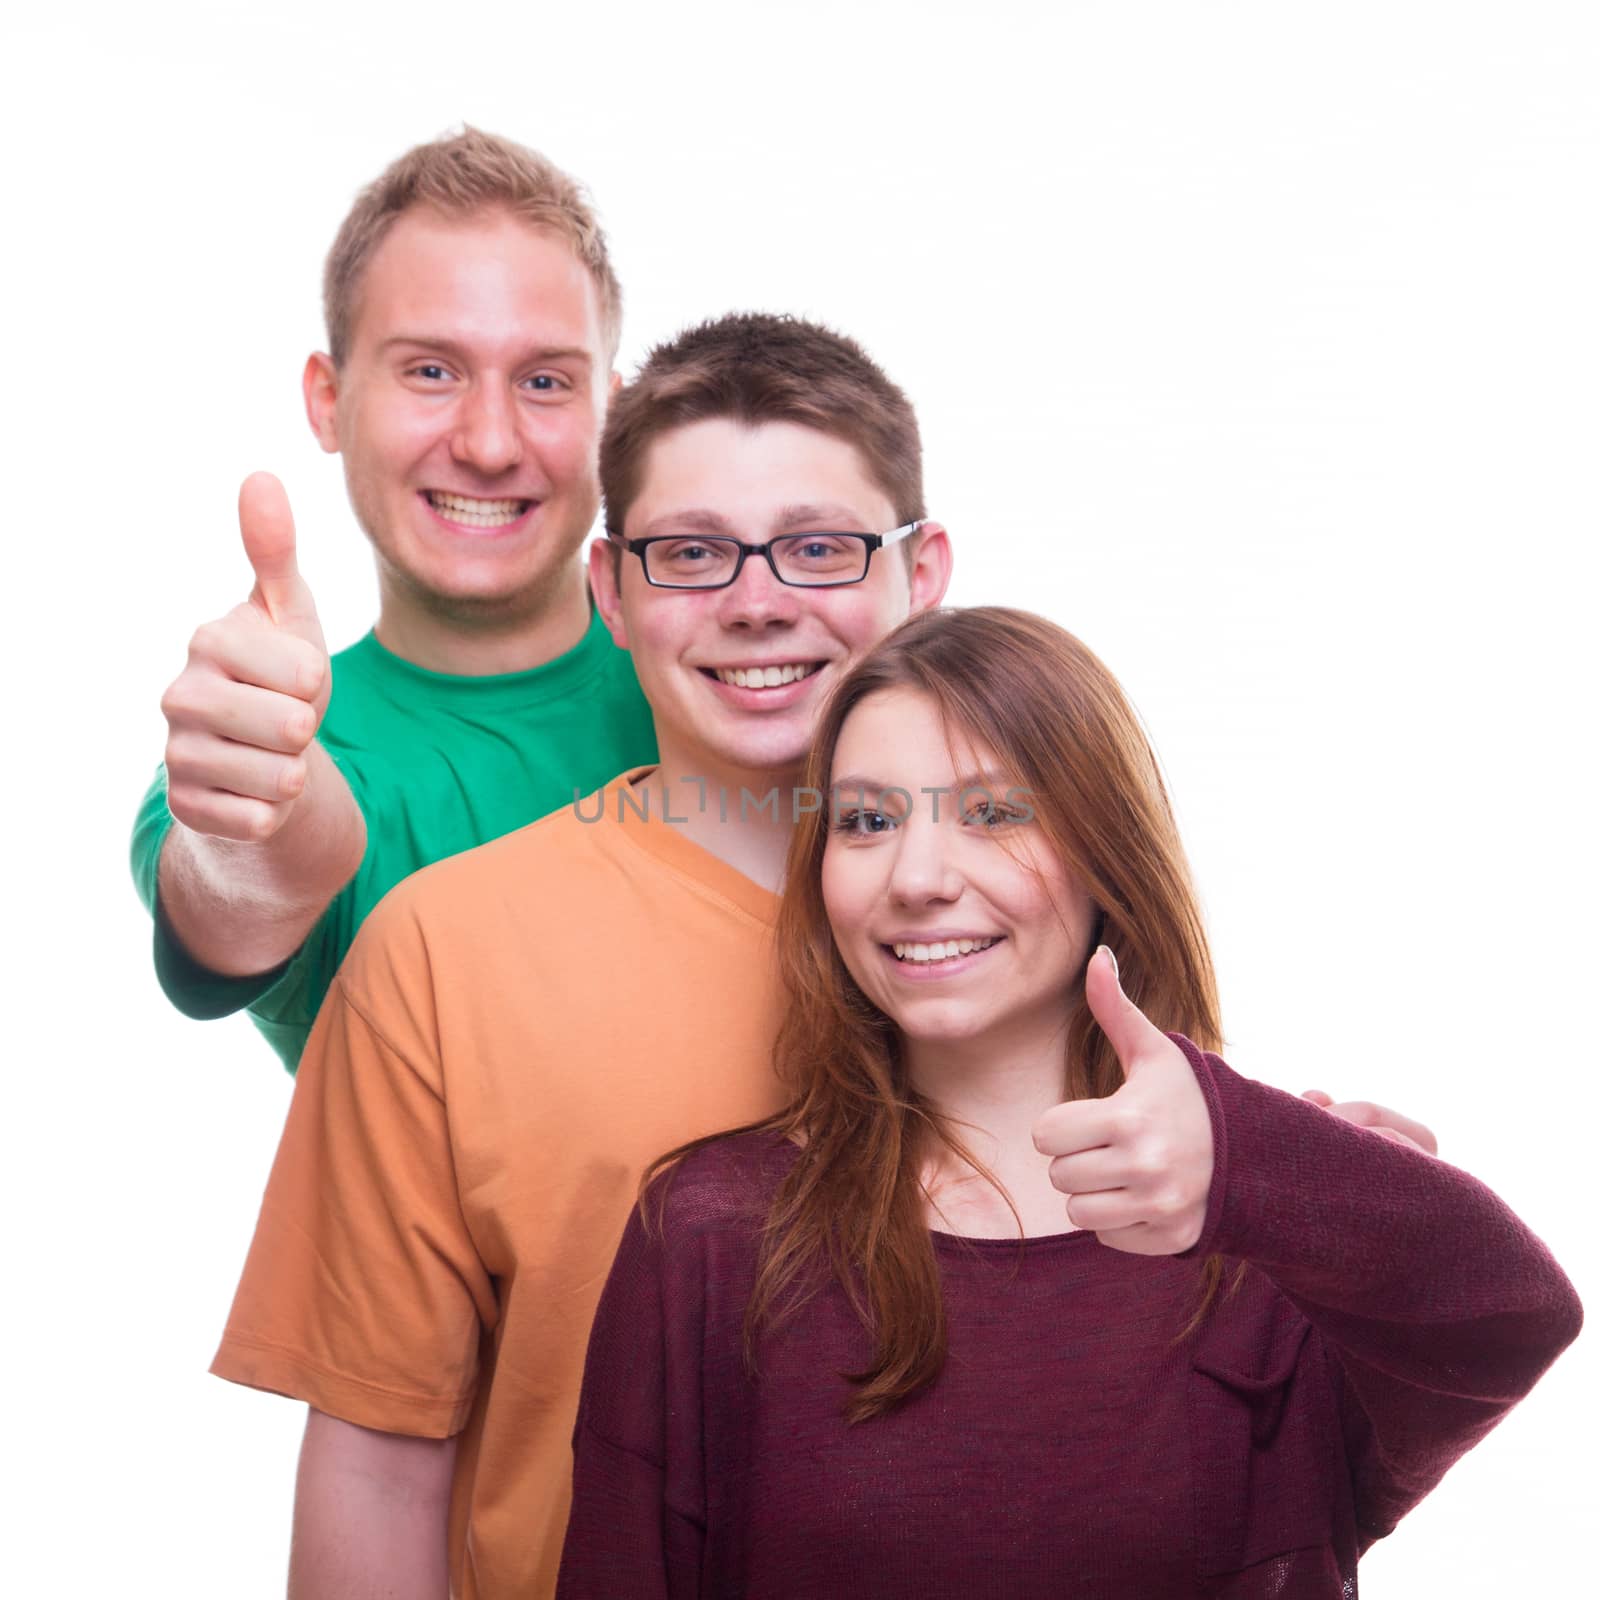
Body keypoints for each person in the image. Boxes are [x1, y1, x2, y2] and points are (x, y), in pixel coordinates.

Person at [557, 606, 1583, 1599]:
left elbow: (1516, 1315)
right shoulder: (711, 1227)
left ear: (1106, 852)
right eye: (867, 820)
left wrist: (1272, 1169)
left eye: (994, 813)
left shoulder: (1268, 1222)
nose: (915, 876)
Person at [207, 313, 955, 1598]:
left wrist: (1285, 1178)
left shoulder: (1046, 902)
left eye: (819, 547)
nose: (759, 599)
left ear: (920, 569)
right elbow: (381, 1465)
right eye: (691, 554)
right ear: (610, 590)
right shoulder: (444, 952)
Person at [130, 128, 655, 1071]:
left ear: (609, 415)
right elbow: (246, 880)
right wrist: (265, 815)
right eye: (431, 371)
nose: (491, 443)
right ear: (328, 401)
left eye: (544, 381)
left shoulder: (736, 692)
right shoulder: (256, 743)